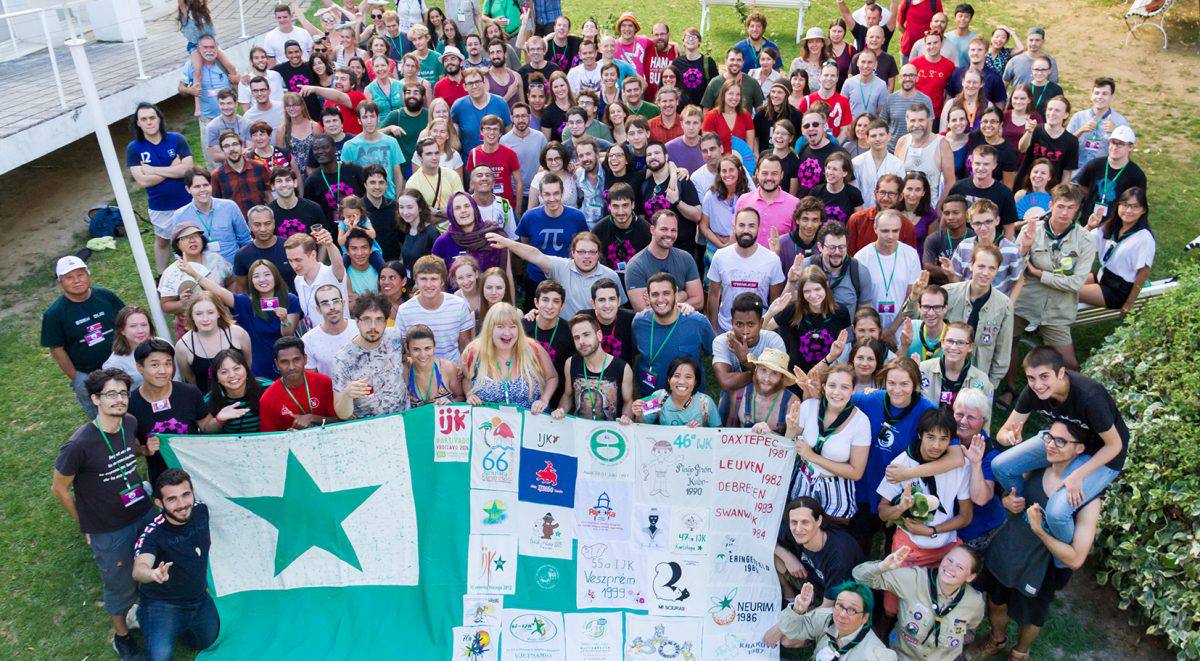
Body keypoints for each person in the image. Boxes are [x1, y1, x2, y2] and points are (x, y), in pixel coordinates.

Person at [970, 420, 1102, 661]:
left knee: (1031, 617)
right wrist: (1007, 501)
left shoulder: (1088, 499)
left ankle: (1020, 653)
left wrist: (1040, 531)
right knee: (996, 601)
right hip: (1008, 549)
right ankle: (997, 639)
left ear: (1080, 449)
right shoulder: (1037, 466)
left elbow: (1076, 559)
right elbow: (1010, 493)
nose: (1050, 445)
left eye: (1060, 441)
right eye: (1049, 437)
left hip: (1041, 568)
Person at [51, 368, 156, 660]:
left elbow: (130, 451)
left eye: (123, 393)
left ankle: (148, 612)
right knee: (120, 584)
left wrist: (145, 451)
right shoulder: (78, 445)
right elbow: (59, 489)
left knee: (151, 564)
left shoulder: (130, 422)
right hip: (108, 528)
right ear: (95, 399)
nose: (119, 399)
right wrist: (84, 523)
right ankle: (122, 637)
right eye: (111, 394)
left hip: (142, 510)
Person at [993, 347, 1128, 545]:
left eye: (1044, 377)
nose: (1038, 385)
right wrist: (1010, 437)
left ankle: (1063, 553)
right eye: (1031, 378)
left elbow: (1115, 445)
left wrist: (1078, 475)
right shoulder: (1032, 392)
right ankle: (1028, 513)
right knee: (1000, 466)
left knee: (1057, 513)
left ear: (1061, 373)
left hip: (1101, 453)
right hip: (1060, 440)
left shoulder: (1090, 397)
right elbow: (1002, 434)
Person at [847, 357, 947, 549]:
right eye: (891, 383)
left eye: (904, 384)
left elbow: (954, 454)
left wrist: (911, 473)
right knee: (860, 540)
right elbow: (836, 400)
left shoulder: (927, 410)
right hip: (867, 483)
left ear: (915, 384)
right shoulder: (871, 400)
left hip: (903, 489)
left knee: (895, 546)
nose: (897, 390)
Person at [132, 469, 218, 661]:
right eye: (172, 499)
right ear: (159, 503)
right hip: (163, 604)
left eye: (186, 495)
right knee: (161, 657)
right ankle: (142, 616)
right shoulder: (153, 533)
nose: (182, 505)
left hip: (198, 598)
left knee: (207, 641)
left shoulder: (201, 511)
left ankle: (176, 627)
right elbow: (139, 569)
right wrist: (152, 574)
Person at [1013, 185, 1096, 370]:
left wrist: (1040, 274)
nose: (1065, 212)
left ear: (1077, 209)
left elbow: (1076, 283)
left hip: (1057, 310)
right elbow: (1014, 270)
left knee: (1070, 364)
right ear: (1051, 206)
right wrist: (1024, 248)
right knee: (1008, 348)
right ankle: (1010, 386)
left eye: (1071, 207)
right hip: (1024, 303)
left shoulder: (1085, 240)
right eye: (1060, 206)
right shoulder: (1031, 230)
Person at [853, 543, 985, 659]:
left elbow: (971, 625)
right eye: (949, 560)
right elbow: (860, 577)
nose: (950, 568)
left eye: (960, 567)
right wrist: (882, 566)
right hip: (901, 656)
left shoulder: (975, 602)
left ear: (970, 577)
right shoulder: (913, 579)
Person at [41, 257, 126, 417]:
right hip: (88, 374)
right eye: (69, 277)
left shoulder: (105, 296)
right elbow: (57, 349)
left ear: (88, 275)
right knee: (103, 417)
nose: (76, 280)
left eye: (80, 274)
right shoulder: (54, 314)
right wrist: (77, 378)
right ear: (61, 282)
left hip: (121, 364)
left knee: (132, 407)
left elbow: (126, 320)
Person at [128, 339, 217, 483]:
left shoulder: (189, 392)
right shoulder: (130, 404)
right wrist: (144, 450)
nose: (163, 371)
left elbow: (206, 427)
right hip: (162, 478)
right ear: (140, 367)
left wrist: (220, 419)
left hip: (199, 472)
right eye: (155, 365)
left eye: (168, 363)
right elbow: (131, 446)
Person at [773, 495, 866, 620]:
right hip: (811, 584)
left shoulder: (839, 556)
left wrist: (790, 622)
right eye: (794, 522)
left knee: (789, 633)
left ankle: (801, 612)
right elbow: (766, 540)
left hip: (838, 604)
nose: (798, 529)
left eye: (805, 522)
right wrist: (787, 556)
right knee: (775, 557)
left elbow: (827, 606)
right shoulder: (794, 530)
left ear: (819, 521)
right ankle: (789, 597)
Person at [127, 103, 196, 271]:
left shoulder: (177, 139)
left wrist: (153, 170)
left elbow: (187, 169)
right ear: (138, 123)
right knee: (163, 241)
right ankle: (161, 277)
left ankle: (197, 271)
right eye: (144, 119)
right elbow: (142, 181)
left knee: (192, 238)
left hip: (186, 201)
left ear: (159, 119)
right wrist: (172, 168)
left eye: (152, 117)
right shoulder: (134, 148)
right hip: (160, 206)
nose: (149, 122)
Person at [763, 578, 894, 658]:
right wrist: (798, 610)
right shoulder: (827, 618)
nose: (842, 614)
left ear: (865, 618)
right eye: (839, 605)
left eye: (852, 610)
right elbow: (791, 630)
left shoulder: (877, 655)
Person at [632, 273, 717, 397]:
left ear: (676, 294)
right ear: (648, 297)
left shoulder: (698, 322)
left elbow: (715, 352)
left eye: (666, 293)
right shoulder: (639, 323)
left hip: (688, 399)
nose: (660, 299)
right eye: (655, 294)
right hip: (651, 399)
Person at [462, 303, 557, 412]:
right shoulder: (474, 352)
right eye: (500, 327)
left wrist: (544, 400)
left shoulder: (533, 349)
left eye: (512, 327)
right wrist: (469, 395)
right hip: (490, 421)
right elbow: (466, 378)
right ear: (489, 328)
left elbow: (552, 377)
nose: (507, 333)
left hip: (532, 420)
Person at [944, 242, 1014, 389]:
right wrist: (914, 298)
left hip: (979, 378)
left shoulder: (1004, 305)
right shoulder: (949, 293)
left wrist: (991, 386)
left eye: (992, 268)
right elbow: (921, 318)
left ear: (997, 270)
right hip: (945, 373)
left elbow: (1003, 350)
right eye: (981, 266)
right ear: (971, 265)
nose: (985, 273)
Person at [707, 208, 786, 334]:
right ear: (734, 228)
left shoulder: (772, 260)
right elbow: (713, 296)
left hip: (759, 331)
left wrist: (768, 332)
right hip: (725, 329)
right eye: (741, 225)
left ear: (758, 229)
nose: (746, 230)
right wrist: (713, 331)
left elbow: (775, 302)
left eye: (751, 226)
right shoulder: (720, 256)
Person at [329, 293, 408, 418]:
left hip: (404, 416)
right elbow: (342, 414)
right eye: (366, 319)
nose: (373, 326)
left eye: (379, 319)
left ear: (386, 321)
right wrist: (347, 394)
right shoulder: (342, 360)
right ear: (357, 322)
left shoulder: (395, 336)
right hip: (369, 425)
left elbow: (409, 359)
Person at [1080, 187, 1155, 314]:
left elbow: (1143, 273)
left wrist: (1129, 303)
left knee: (1069, 290)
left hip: (1117, 290)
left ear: (1143, 210)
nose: (1129, 210)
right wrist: (1090, 226)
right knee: (1063, 283)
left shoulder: (1144, 238)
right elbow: (1082, 242)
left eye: (1135, 206)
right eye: (1125, 205)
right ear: (1118, 206)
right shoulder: (1111, 226)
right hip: (1102, 276)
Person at [712, 292, 788, 412]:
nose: (745, 331)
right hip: (732, 397)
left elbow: (778, 381)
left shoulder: (773, 340)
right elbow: (726, 382)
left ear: (761, 323)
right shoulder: (721, 341)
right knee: (729, 394)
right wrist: (759, 373)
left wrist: (746, 361)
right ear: (732, 322)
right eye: (739, 324)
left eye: (751, 324)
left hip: (768, 397)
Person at [769, 265, 853, 372]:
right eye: (807, 291)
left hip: (827, 376)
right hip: (795, 377)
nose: (813, 295)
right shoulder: (793, 310)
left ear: (826, 285)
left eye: (817, 289)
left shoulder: (841, 312)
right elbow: (763, 328)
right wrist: (771, 312)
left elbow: (847, 347)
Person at [552, 313, 634, 422]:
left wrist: (626, 419)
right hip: (579, 427)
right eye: (577, 337)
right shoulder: (571, 363)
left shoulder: (622, 368)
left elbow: (628, 402)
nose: (581, 341)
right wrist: (560, 411)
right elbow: (568, 396)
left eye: (586, 335)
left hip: (610, 429)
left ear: (599, 335)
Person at [394, 255, 476, 361]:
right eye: (423, 279)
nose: (429, 285)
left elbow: (465, 346)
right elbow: (401, 350)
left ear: (442, 281)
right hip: (418, 368)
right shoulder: (404, 310)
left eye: (434, 279)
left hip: (453, 368)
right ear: (416, 281)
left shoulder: (459, 305)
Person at [171, 286, 254, 391]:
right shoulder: (183, 346)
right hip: (208, 398)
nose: (205, 319)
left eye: (210, 312)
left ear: (218, 313)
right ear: (191, 316)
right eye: (199, 314)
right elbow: (191, 380)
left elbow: (248, 365)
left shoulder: (238, 334)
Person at [951, 389, 1005, 550]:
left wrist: (975, 464)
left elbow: (981, 499)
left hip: (978, 530)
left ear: (984, 422)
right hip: (949, 523)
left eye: (971, 417)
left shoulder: (991, 452)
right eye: (959, 414)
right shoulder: (946, 437)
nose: (963, 421)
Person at [514, 173, 589, 286]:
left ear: (562, 193)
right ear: (540, 195)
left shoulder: (577, 217)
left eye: (556, 193)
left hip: (567, 276)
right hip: (536, 277)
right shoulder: (529, 217)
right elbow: (525, 244)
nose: (552, 199)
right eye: (547, 194)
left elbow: (584, 244)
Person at [855, 209, 922, 335]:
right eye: (885, 231)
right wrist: (878, 330)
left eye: (895, 231)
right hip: (871, 331)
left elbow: (911, 296)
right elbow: (861, 299)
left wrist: (892, 330)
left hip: (901, 328)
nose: (890, 236)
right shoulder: (862, 257)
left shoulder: (911, 254)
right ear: (875, 228)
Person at [640, 142, 704, 261]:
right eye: (649, 154)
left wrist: (677, 202)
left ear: (666, 157)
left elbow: (697, 215)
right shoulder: (644, 185)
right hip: (655, 254)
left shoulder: (682, 180)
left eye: (657, 153)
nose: (653, 156)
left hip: (683, 252)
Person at [947, 199, 1023, 297]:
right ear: (971, 224)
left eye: (988, 222)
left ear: (997, 220)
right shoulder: (963, 246)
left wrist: (1009, 304)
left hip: (997, 303)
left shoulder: (1012, 250)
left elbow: (1018, 281)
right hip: (968, 301)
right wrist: (950, 273)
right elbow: (957, 281)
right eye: (977, 223)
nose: (983, 228)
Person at [433, 191, 514, 280]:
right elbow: (437, 279)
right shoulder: (442, 242)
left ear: (474, 209)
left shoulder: (494, 236)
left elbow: (507, 276)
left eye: (467, 206)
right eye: (457, 208)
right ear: (451, 214)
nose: (463, 210)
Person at [1076, 125, 1147, 226]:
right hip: (1088, 220)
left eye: (1121, 144)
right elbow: (1082, 186)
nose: (1115, 147)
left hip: (1115, 225)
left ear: (1130, 147)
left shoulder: (1136, 175)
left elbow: (1138, 201)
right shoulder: (1094, 165)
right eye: (1113, 142)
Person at [918, 321, 993, 410]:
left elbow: (985, 415)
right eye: (950, 341)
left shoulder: (982, 380)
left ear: (970, 347)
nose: (953, 347)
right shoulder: (922, 369)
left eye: (960, 342)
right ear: (942, 343)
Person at [631, 355, 721, 427]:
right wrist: (639, 414)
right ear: (669, 379)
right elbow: (642, 426)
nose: (681, 381)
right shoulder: (659, 397)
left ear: (695, 382)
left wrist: (699, 432)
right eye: (676, 376)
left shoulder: (705, 403)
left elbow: (719, 433)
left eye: (688, 377)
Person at [285, 228, 349, 329]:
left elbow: (338, 263)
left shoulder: (332, 273)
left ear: (313, 254)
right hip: (316, 336)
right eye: (290, 260)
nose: (294, 266)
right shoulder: (298, 280)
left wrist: (329, 244)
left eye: (298, 260)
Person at [947, 145, 1018, 232]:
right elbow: (947, 217)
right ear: (971, 163)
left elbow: (1009, 228)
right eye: (977, 163)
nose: (981, 168)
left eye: (986, 164)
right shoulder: (958, 188)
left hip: (991, 239)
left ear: (994, 165)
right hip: (962, 239)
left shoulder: (1005, 193)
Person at [727, 348, 799, 434]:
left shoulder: (792, 402)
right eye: (763, 370)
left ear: (782, 377)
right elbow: (729, 429)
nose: (766, 379)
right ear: (756, 370)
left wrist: (771, 433)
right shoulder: (739, 394)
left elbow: (794, 438)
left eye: (774, 373)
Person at [1067, 76, 1130, 172]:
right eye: (1096, 93)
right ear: (1091, 96)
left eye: (1105, 94)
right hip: (1077, 171)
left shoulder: (1120, 121)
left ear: (1112, 97)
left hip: (1104, 173)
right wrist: (1081, 130)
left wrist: (1116, 131)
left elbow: (1128, 149)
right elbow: (1065, 144)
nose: (1100, 97)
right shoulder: (1078, 117)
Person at [204, 348, 272, 433]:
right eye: (224, 372)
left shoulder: (268, 388)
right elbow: (206, 431)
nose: (232, 375)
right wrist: (219, 419)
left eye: (236, 368)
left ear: (246, 369)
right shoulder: (210, 399)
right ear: (216, 378)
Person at [465, 113, 522, 213]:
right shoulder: (473, 153)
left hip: (505, 208)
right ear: (481, 131)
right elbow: (471, 185)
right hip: (481, 208)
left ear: (500, 133)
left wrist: (517, 211)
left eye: (495, 129)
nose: (491, 133)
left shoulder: (510, 154)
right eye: (488, 129)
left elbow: (519, 183)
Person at [1016, 96, 1078, 187]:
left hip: (1051, 189)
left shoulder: (1071, 141)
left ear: (1066, 115)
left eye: (1057, 110)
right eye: (1050, 109)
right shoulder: (1035, 129)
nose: (1052, 113)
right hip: (1025, 185)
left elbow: (1067, 174)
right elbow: (1022, 149)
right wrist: (1029, 132)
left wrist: (1060, 193)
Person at [846, 175, 913, 255]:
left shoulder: (907, 225)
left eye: (891, 194)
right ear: (875, 193)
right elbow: (849, 255)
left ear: (900, 197)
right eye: (882, 193)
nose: (885, 198)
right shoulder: (857, 220)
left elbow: (909, 256)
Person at [453, 68, 513, 155]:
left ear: (484, 83)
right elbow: (451, 132)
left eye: (477, 82)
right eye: (470, 83)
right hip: (469, 160)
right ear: (465, 87)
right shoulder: (458, 106)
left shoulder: (500, 103)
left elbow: (509, 133)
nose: (474, 86)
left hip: (497, 159)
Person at [403, 324, 465, 407]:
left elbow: (463, 397)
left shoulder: (447, 368)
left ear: (434, 346)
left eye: (427, 348)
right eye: (416, 349)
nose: (422, 355)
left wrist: (451, 402)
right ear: (407, 349)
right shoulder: (405, 369)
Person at [881, 64, 932, 148]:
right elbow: (883, 125)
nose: (908, 79)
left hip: (919, 149)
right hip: (893, 150)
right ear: (899, 79)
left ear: (917, 78)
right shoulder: (890, 99)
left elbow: (929, 128)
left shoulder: (926, 100)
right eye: (904, 76)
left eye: (911, 75)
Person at [103, 307, 155, 388]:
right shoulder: (114, 364)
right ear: (122, 330)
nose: (140, 330)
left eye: (144, 325)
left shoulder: (163, 345)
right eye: (133, 326)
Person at [910, 30, 956, 121]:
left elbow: (949, 92)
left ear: (941, 44)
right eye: (929, 43)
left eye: (935, 43)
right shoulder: (914, 64)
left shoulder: (949, 66)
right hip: (916, 113)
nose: (932, 46)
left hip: (936, 114)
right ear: (925, 45)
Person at [671, 29, 719, 110]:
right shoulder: (677, 63)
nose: (691, 39)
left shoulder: (708, 62)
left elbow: (716, 86)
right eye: (688, 37)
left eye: (694, 37)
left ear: (699, 42)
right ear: (683, 42)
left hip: (703, 110)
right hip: (682, 110)